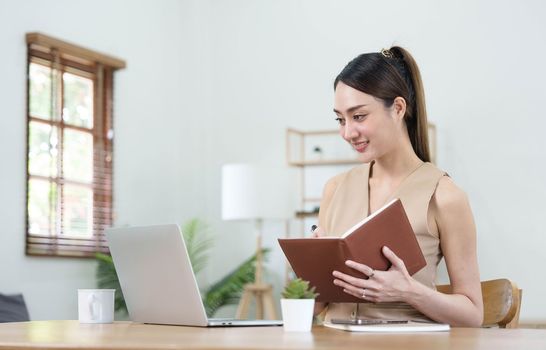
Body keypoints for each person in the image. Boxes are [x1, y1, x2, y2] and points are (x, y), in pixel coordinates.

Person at [313, 46, 483, 327]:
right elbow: (318, 307)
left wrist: (409, 292)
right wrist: (314, 277)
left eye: (359, 116)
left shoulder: (444, 196)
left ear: (398, 108)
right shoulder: (335, 188)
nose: (347, 133)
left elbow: (473, 314)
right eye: (340, 119)